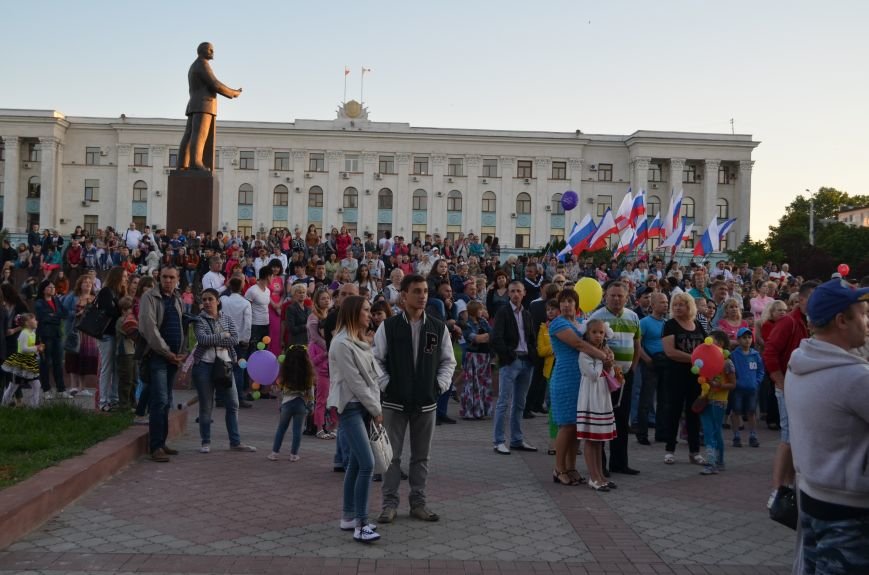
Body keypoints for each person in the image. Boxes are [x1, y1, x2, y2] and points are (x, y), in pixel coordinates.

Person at [786, 279, 869, 574]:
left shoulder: (801, 362)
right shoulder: (854, 378)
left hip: (813, 496)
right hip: (850, 512)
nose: (867, 321)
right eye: (862, 313)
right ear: (841, 321)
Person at [374, 274, 456, 524]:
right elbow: (375, 360)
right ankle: (389, 504)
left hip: (426, 402)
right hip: (394, 402)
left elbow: (448, 361)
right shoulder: (388, 326)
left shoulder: (437, 327)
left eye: (425, 292)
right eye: (417, 291)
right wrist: (387, 384)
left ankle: (418, 503)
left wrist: (438, 386)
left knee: (421, 456)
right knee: (392, 456)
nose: (422, 296)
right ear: (403, 296)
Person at [327, 295, 383, 543]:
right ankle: (361, 523)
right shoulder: (341, 343)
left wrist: (374, 405)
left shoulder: (358, 341)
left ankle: (348, 516)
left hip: (362, 406)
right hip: (350, 407)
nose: (370, 315)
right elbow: (356, 382)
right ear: (353, 313)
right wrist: (376, 409)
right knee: (367, 463)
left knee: (356, 464)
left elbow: (373, 375)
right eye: (366, 310)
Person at [763, 281, 818, 503]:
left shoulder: (812, 322)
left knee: (797, 438)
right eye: (812, 298)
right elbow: (770, 352)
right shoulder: (789, 322)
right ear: (801, 300)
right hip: (788, 386)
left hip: (804, 388)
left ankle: (789, 487)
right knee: (788, 437)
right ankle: (777, 491)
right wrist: (781, 382)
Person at [192, 288, 257, 454]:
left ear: (218, 301)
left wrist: (223, 338)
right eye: (204, 299)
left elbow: (235, 339)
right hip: (204, 366)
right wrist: (223, 336)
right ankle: (205, 442)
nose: (207, 302)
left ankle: (235, 442)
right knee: (206, 405)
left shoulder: (226, 318)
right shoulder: (199, 320)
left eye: (210, 299)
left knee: (233, 404)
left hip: (225, 365)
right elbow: (202, 339)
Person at [590, 281, 641, 475]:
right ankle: (600, 465)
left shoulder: (633, 316)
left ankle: (619, 463)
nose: (616, 299)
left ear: (627, 297)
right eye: (612, 295)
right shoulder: (597, 318)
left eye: (620, 296)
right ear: (605, 296)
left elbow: (637, 345)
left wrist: (633, 368)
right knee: (603, 420)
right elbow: (591, 347)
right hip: (604, 378)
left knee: (621, 420)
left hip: (625, 377)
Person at [137, 266, 186, 463]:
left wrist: (180, 352)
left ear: (177, 279)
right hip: (158, 356)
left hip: (173, 357)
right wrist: (167, 352)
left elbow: (181, 325)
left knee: (165, 402)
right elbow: (149, 328)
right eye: (164, 277)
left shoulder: (177, 298)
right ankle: (155, 446)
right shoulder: (150, 297)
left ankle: (161, 442)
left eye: (171, 277)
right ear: (159, 277)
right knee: (159, 401)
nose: (167, 280)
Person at [178, 42, 242, 171]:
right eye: (210, 50)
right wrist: (233, 93)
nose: (213, 52)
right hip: (204, 104)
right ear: (202, 51)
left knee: (189, 135)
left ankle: (183, 164)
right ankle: (196, 162)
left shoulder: (194, 65)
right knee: (199, 134)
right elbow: (215, 84)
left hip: (195, 103)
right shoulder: (202, 64)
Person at [661, 292, 706, 466]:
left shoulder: (697, 325)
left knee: (694, 413)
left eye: (682, 304)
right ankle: (669, 450)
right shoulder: (670, 325)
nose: (678, 308)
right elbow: (670, 351)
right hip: (675, 375)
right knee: (673, 412)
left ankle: (694, 452)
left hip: (696, 377)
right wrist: (694, 358)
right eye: (675, 305)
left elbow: (705, 347)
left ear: (690, 306)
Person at [577, 319, 618, 491]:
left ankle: (601, 476)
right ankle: (593, 477)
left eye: (601, 332)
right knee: (591, 439)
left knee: (600, 440)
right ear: (587, 333)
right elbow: (593, 374)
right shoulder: (585, 353)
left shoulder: (604, 351)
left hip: (602, 396)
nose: (598, 336)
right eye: (594, 332)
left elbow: (611, 373)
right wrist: (603, 360)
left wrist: (610, 364)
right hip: (591, 396)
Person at [697, 331, 736, 475]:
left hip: (719, 401)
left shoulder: (727, 362)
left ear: (721, 343)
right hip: (705, 399)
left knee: (715, 430)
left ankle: (718, 461)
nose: (707, 345)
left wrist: (718, 385)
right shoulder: (705, 361)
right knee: (707, 431)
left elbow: (733, 384)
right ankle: (712, 461)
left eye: (711, 341)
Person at [268, 343, 315, 462]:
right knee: (297, 431)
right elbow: (310, 391)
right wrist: (311, 404)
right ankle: (294, 454)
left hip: (287, 404)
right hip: (301, 404)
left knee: (281, 429)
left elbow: (279, 389)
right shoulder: (307, 374)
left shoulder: (286, 373)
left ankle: (274, 453)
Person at [636, 292, 669, 445]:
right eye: (662, 302)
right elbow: (637, 344)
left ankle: (662, 433)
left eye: (666, 302)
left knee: (664, 400)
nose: (665, 305)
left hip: (665, 364)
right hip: (650, 364)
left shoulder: (667, 323)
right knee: (646, 400)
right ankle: (642, 434)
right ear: (653, 305)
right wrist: (646, 359)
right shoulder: (644, 322)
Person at [96, 268, 127, 410]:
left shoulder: (120, 292)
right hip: (106, 335)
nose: (126, 279)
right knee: (107, 367)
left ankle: (114, 399)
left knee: (116, 368)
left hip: (117, 334)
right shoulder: (106, 291)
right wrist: (121, 310)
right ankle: (103, 401)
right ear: (117, 277)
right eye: (124, 276)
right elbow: (110, 310)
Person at [219, 277, 252, 408]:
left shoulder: (223, 300)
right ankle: (238, 398)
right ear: (242, 287)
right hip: (239, 340)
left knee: (223, 368)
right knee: (239, 369)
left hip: (224, 338)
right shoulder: (245, 303)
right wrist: (246, 339)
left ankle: (220, 398)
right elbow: (248, 324)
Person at [730, 326, 764, 448]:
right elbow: (731, 371)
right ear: (738, 340)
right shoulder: (734, 355)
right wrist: (735, 382)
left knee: (751, 412)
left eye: (749, 337)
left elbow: (760, 370)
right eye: (744, 337)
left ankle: (753, 435)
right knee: (736, 411)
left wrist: (757, 381)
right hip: (737, 389)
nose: (747, 340)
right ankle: (736, 436)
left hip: (752, 389)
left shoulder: (755, 355)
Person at [307, 287, 335, 439]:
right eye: (323, 298)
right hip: (319, 356)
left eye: (328, 298)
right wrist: (330, 347)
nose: (326, 300)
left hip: (331, 362)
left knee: (331, 398)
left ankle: (330, 426)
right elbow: (315, 337)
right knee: (321, 398)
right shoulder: (313, 317)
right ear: (317, 300)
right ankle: (318, 427)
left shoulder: (330, 315)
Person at [34, 280, 68, 399]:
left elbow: (65, 313)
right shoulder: (39, 302)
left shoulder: (57, 300)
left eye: (53, 287)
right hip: (45, 335)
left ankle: (61, 389)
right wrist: (54, 317)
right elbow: (43, 317)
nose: (53, 289)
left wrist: (53, 316)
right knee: (45, 362)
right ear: (43, 289)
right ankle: (46, 389)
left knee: (58, 362)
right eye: (49, 287)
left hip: (57, 335)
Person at [1, 314, 43, 407]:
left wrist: (37, 350)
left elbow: (31, 346)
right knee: (13, 386)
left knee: (36, 385)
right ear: (28, 323)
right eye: (34, 320)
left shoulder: (32, 332)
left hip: (30, 362)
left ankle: (34, 406)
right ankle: (3, 404)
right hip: (21, 363)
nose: (37, 321)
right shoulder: (24, 333)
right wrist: (36, 348)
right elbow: (23, 349)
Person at [460, 300, 493, 419]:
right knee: (472, 384)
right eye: (480, 309)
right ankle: (471, 411)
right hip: (473, 356)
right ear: (474, 311)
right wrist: (487, 337)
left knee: (484, 384)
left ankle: (482, 410)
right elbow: (475, 339)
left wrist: (486, 337)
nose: (482, 311)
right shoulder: (466, 324)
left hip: (485, 356)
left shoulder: (483, 321)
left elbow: (492, 334)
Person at [115, 296, 138, 411]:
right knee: (126, 379)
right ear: (123, 310)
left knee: (134, 379)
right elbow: (131, 333)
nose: (131, 311)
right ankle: (124, 405)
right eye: (129, 309)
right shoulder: (121, 320)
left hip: (133, 352)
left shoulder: (132, 319)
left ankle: (133, 402)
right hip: (124, 353)